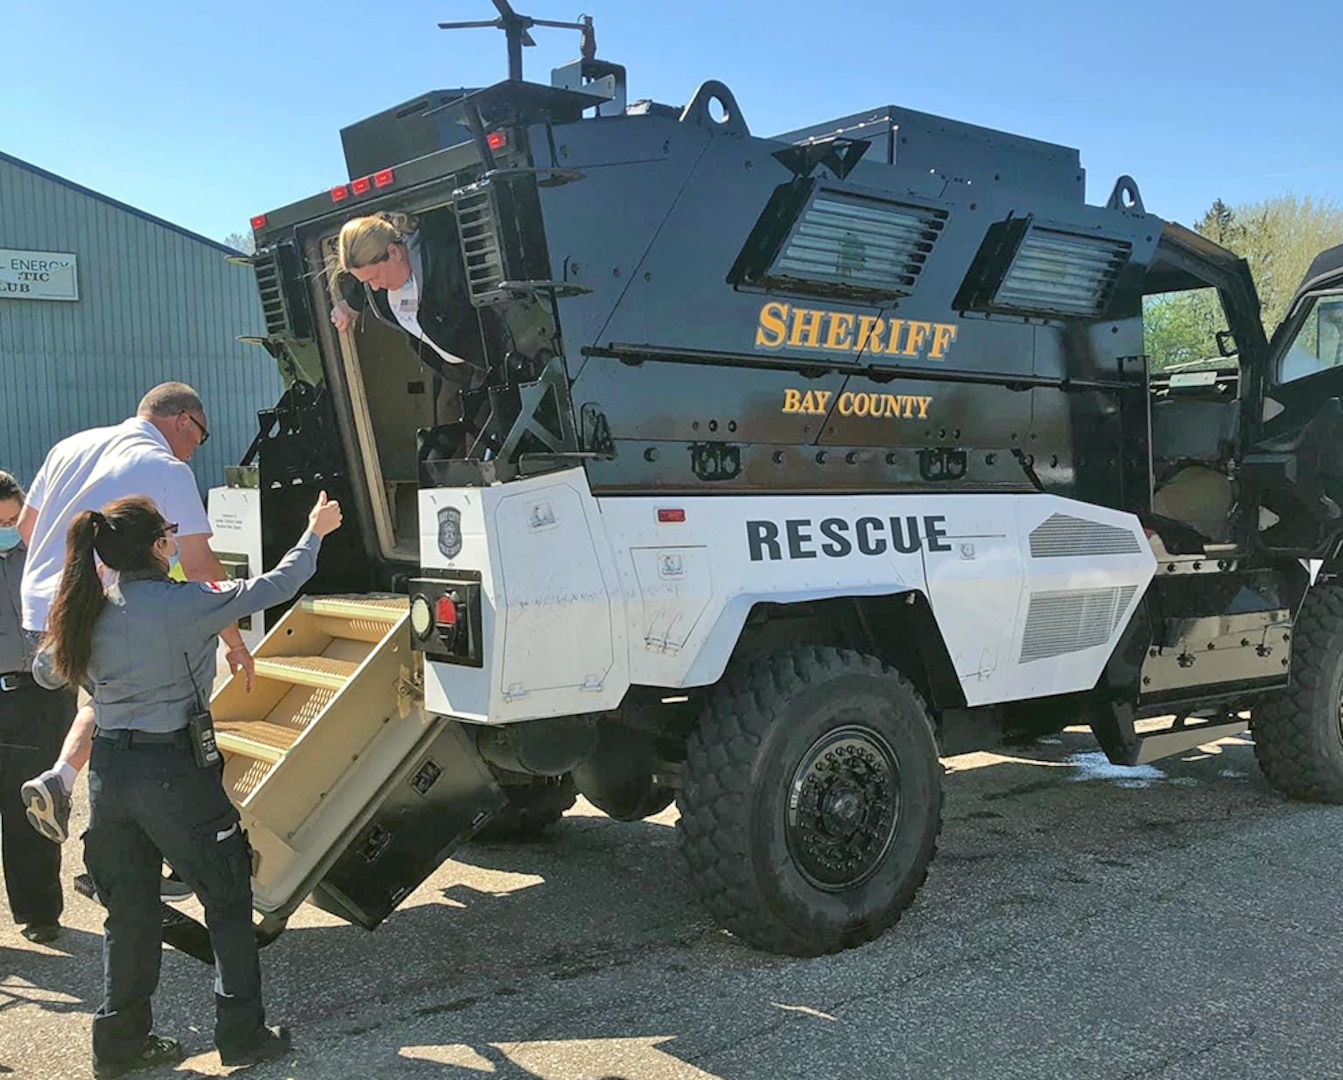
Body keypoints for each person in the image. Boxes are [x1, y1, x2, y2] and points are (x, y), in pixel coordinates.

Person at [46, 490, 342, 1077]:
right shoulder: (187, 603)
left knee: (127, 913)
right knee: (227, 899)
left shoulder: (86, 609)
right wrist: (315, 531)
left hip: (109, 775)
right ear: (160, 546)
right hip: (174, 774)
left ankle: (121, 1046)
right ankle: (243, 1036)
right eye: (171, 533)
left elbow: (44, 665)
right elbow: (279, 584)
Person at [19, 383, 255, 856]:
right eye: (199, 438)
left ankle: (62, 780)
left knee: (107, 699)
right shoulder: (165, 468)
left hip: (46, 608)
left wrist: (70, 587)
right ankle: (166, 840)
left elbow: (28, 525)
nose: (194, 452)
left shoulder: (70, 445)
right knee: (169, 694)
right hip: (106, 608)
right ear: (183, 420)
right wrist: (233, 641)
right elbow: (202, 567)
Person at [0, 472, 73, 944]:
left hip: (41, 694)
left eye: (12, 519)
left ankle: (39, 911)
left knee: (31, 805)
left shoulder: (49, 555)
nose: (9, 529)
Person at [329, 210, 487, 427]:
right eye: (366, 283)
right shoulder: (378, 278)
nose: (374, 287)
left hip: (484, 362)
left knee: (478, 438)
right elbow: (367, 281)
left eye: (374, 278)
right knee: (444, 435)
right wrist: (351, 305)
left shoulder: (446, 262)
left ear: (394, 252)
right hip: (451, 372)